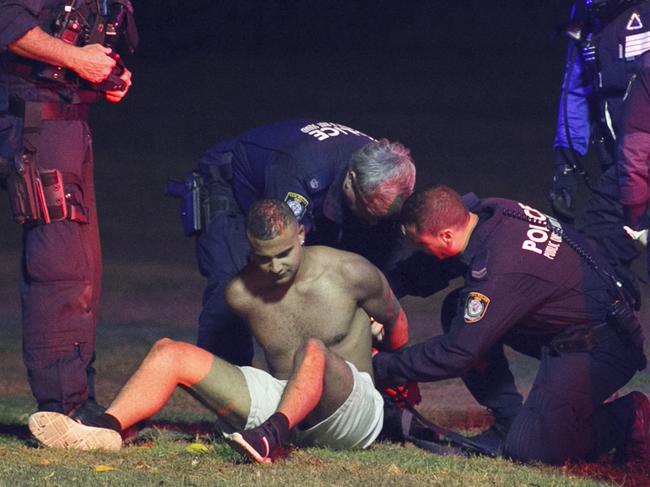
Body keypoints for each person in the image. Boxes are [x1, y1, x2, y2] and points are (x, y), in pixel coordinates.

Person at [28, 199, 410, 463]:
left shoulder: (350, 272)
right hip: (285, 400)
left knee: (312, 350)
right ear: (249, 249)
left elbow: (397, 325)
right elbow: (226, 354)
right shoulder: (240, 293)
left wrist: (391, 373)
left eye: (283, 254)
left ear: (301, 235)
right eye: (264, 257)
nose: (275, 266)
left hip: (351, 412)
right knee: (169, 351)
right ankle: (105, 431)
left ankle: (268, 437)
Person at [373, 185, 649, 465]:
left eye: (421, 244)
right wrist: (378, 288)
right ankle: (509, 418)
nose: (421, 250)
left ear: (446, 235)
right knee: (458, 308)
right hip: (572, 324)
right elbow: (432, 268)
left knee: (529, 450)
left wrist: (381, 367)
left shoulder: (500, 269)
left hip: (601, 346)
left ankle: (628, 416)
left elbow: (456, 353)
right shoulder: (490, 214)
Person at [172, 119, 415, 366]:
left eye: (381, 216)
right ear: (350, 179)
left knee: (359, 285)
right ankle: (225, 381)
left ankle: (372, 379)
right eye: (364, 208)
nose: (371, 222)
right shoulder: (302, 169)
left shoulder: (388, 181)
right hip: (233, 188)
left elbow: (382, 273)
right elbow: (290, 258)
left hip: (315, 201)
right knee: (234, 283)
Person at [0, 1, 136, 415]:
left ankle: (77, 402)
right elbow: (8, 22)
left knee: (81, 270)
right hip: (34, 123)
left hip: (67, 123)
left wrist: (108, 76)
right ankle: (64, 409)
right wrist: (78, 58)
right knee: (60, 269)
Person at [548, 0, 650, 274]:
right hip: (622, 161)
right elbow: (576, 89)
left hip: (638, 156)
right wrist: (565, 167)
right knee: (595, 261)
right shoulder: (588, 12)